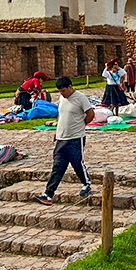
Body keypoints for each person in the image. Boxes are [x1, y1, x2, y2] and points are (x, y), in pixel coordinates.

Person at [36, 77, 95, 205]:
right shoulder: (62, 98)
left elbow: (90, 114)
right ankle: (48, 194)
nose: (62, 94)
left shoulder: (80, 98)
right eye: (60, 92)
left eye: (63, 91)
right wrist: (57, 131)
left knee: (76, 163)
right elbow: (61, 115)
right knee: (58, 166)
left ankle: (86, 183)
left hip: (75, 137)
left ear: (70, 87)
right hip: (61, 137)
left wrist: (81, 125)